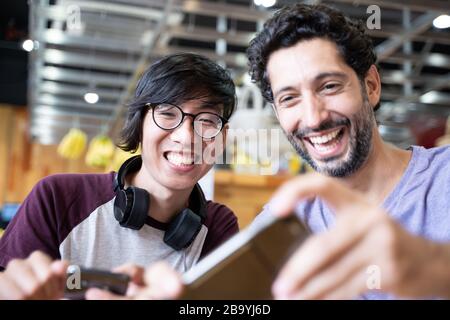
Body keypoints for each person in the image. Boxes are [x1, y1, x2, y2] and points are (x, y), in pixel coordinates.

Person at [245, 3, 450, 299]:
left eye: (329, 86)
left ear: (371, 85)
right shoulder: (278, 228)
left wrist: (430, 268)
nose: (314, 118)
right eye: (290, 98)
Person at [0, 53, 238, 299]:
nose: (186, 137)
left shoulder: (218, 227)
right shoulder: (59, 198)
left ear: (222, 137)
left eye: (207, 120)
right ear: (140, 122)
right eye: (168, 114)